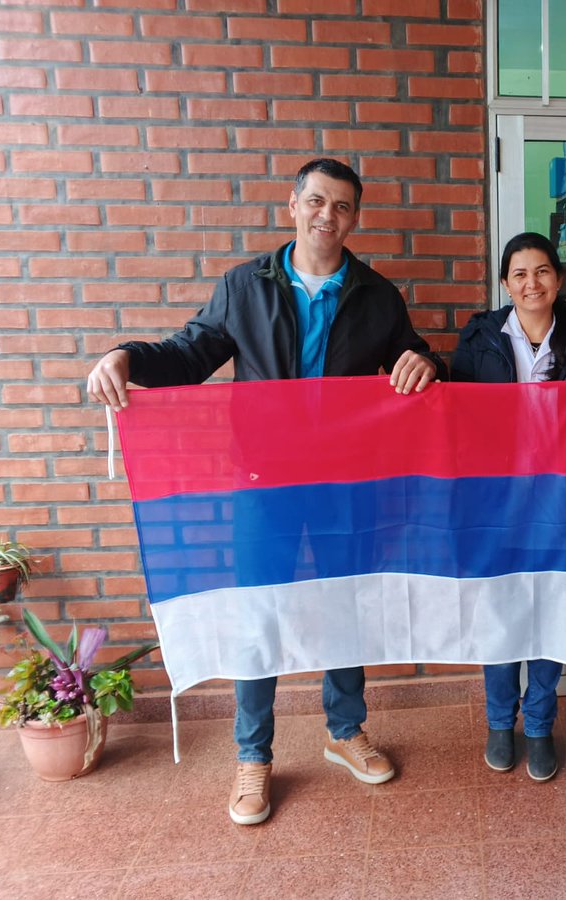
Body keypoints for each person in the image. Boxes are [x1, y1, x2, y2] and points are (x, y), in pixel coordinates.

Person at [86, 157, 445, 826]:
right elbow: (190, 354)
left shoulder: (376, 294)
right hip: (264, 485)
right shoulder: (245, 286)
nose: (326, 216)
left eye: (341, 207)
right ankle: (254, 755)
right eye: (315, 201)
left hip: (344, 485)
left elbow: (415, 355)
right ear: (292, 206)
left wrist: (425, 359)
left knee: (346, 609)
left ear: (354, 219)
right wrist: (125, 355)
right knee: (259, 616)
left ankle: (345, 732)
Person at [450, 231, 566, 782]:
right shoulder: (479, 338)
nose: (531, 282)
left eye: (542, 271)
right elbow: (455, 418)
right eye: (519, 273)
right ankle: (500, 722)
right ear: (505, 283)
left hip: (559, 497)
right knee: (502, 607)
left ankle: (539, 722)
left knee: (551, 605)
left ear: (558, 280)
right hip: (495, 498)